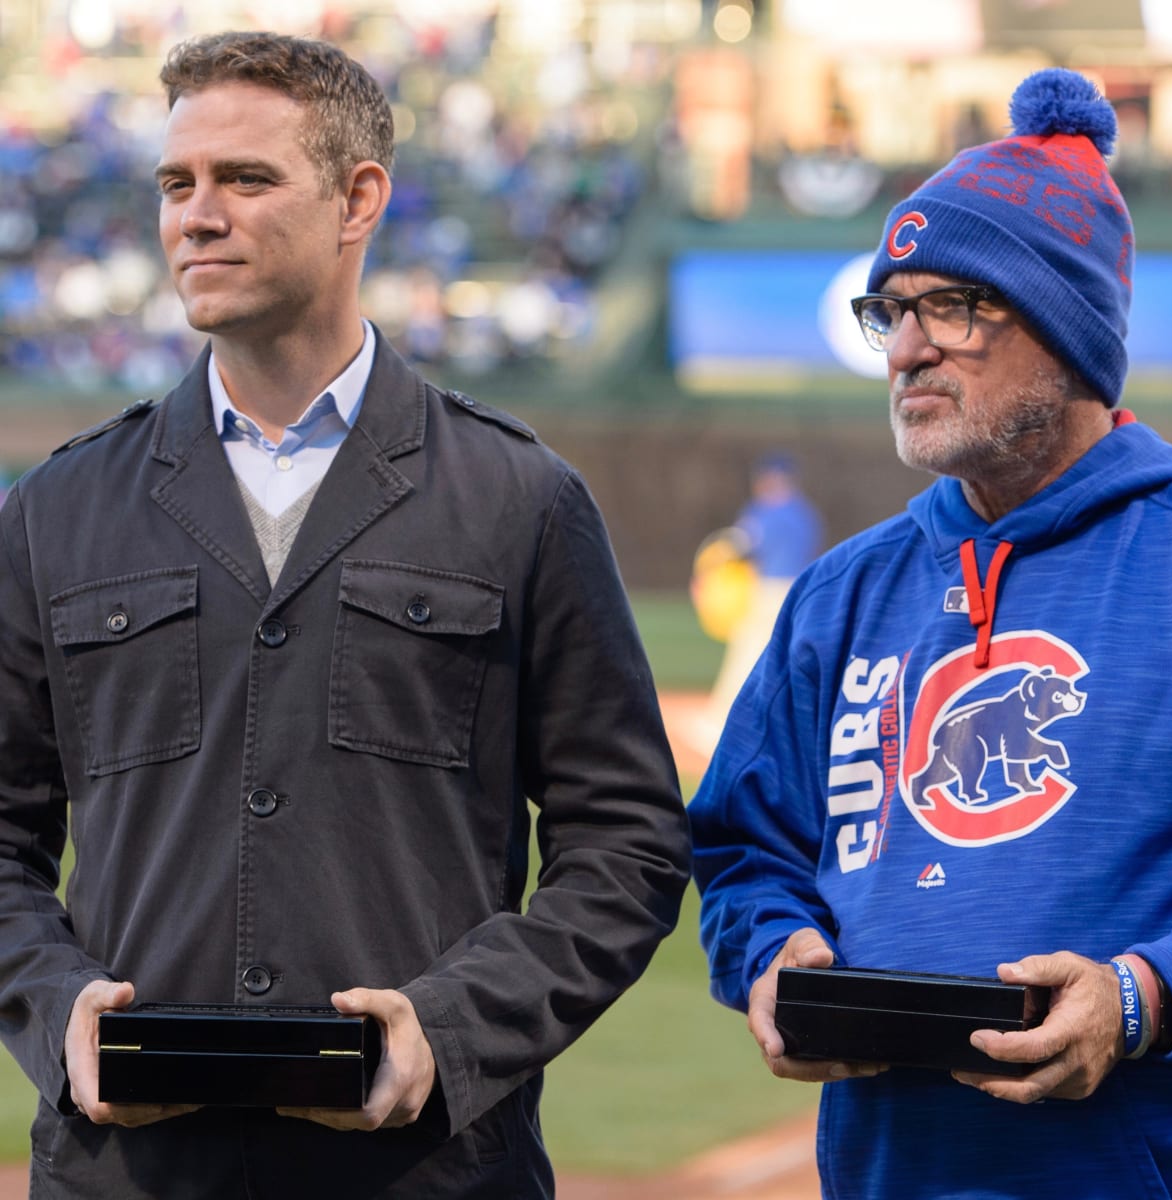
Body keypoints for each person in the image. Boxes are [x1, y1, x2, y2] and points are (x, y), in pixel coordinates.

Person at [0, 31, 690, 1200]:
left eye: (245, 179)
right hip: (128, 1176)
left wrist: (454, 1028)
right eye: (178, 183)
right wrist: (57, 1010)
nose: (196, 217)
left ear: (358, 200)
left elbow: (626, 843)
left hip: (428, 1177)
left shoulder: (521, 499)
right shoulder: (54, 510)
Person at [689, 67, 1172, 1197]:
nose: (907, 347)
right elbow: (742, 849)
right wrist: (776, 958)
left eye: (954, 307)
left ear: (1067, 331)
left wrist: (1146, 996)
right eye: (892, 309)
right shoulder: (845, 591)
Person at [690, 453, 823, 756]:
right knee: (784, 657)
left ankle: (722, 722)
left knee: (747, 652)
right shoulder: (804, 513)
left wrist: (706, 576)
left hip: (769, 591)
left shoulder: (765, 511)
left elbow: (738, 547)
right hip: (797, 590)